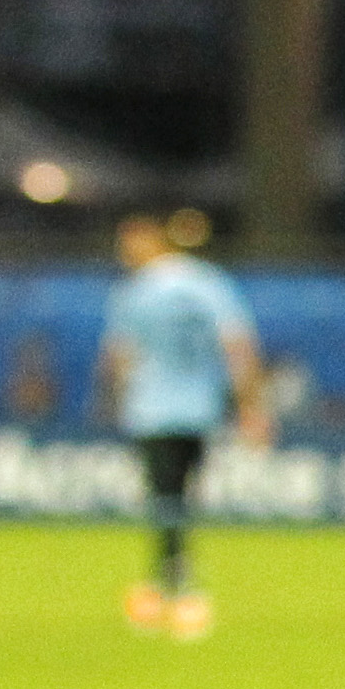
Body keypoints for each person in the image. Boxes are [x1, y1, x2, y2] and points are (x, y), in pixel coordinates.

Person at [94, 213, 270, 642]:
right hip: (200, 408)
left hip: (152, 408)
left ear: (151, 242)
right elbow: (239, 346)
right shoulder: (210, 283)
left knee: (164, 497)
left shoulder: (136, 292)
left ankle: (181, 591)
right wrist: (251, 406)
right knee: (181, 495)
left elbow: (117, 355)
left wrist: (110, 402)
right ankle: (165, 585)